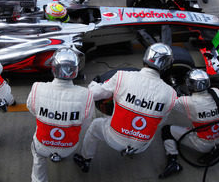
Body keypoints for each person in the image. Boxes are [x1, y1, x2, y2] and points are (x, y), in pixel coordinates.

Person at [73, 43, 178, 173]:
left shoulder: (122, 76)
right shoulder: (172, 94)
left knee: (95, 125)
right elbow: (160, 121)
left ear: (146, 57)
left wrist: (93, 83)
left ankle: (85, 159)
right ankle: (133, 148)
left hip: (114, 139)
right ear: (167, 66)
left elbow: (93, 95)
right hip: (142, 146)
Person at [27, 48, 95, 182]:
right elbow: (86, 122)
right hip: (69, 148)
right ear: (75, 70)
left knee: (37, 154)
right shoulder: (86, 94)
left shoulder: (37, 87)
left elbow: (31, 108)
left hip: (44, 145)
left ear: (53, 68)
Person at [159, 69, 219, 178]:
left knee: (166, 130)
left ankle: (173, 160)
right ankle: (214, 150)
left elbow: (172, 102)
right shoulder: (217, 93)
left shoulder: (187, 102)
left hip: (202, 144)